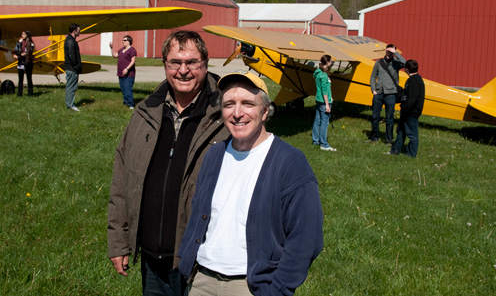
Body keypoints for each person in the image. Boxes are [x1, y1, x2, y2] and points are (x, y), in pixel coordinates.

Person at [107, 30, 231, 296]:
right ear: (165, 64)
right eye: (175, 62)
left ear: (205, 64)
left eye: (192, 62)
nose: (183, 70)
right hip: (153, 262)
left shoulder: (226, 117)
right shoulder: (145, 113)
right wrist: (119, 242)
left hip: (202, 265)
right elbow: (121, 181)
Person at [179, 71, 324, 296]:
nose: (237, 113)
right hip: (202, 280)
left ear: (265, 111)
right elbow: (198, 215)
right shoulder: (215, 154)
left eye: (247, 103)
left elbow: (306, 238)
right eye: (229, 104)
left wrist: (277, 290)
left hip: (251, 286)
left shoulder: (290, 163)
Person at [368, 44, 405, 144]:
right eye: (388, 50)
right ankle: (374, 137)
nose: (389, 52)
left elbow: (405, 63)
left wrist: (395, 52)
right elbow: (372, 77)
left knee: (389, 118)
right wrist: (374, 90)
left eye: (391, 51)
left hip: (391, 94)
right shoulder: (379, 62)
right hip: (379, 93)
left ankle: (389, 139)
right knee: (375, 117)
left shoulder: (396, 63)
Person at [390, 59, 425, 157]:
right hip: (409, 111)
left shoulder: (414, 81)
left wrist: (405, 108)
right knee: (401, 131)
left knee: (412, 134)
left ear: (407, 69)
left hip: (410, 112)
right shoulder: (416, 79)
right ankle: (395, 150)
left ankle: (411, 154)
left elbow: (412, 99)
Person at [312, 54, 337, 152]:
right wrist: (327, 104)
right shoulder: (324, 75)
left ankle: (315, 140)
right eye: (331, 61)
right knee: (324, 122)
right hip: (323, 102)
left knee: (317, 121)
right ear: (327, 62)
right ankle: (324, 144)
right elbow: (325, 91)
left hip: (318, 100)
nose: (331, 63)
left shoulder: (317, 72)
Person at [110, 35, 137, 109]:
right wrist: (111, 48)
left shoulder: (132, 50)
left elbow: (133, 60)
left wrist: (127, 69)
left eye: (124, 40)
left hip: (129, 74)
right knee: (123, 88)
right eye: (123, 40)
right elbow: (115, 55)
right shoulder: (121, 50)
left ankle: (131, 104)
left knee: (128, 88)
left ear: (129, 41)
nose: (123, 41)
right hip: (121, 73)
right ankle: (126, 102)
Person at [64, 24, 81, 111]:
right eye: (79, 30)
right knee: (71, 87)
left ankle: (69, 104)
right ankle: (70, 105)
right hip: (72, 68)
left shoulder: (70, 40)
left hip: (71, 67)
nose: (80, 31)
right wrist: (76, 66)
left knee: (71, 86)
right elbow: (71, 55)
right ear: (74, 30)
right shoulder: (70, 41)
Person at [13, 30, 35, 97]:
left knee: (29, 78)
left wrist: (24, 54)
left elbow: (30, 51)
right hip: (21, 62)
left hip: (28, 62)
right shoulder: (19, 43)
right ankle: (19, 94)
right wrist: (19, 54)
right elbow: (16, 50)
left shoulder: (31, 43)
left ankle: (30, 93)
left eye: (24, 34)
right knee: (20, 79)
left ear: (27, 35)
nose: (22, 35)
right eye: (22, 34)